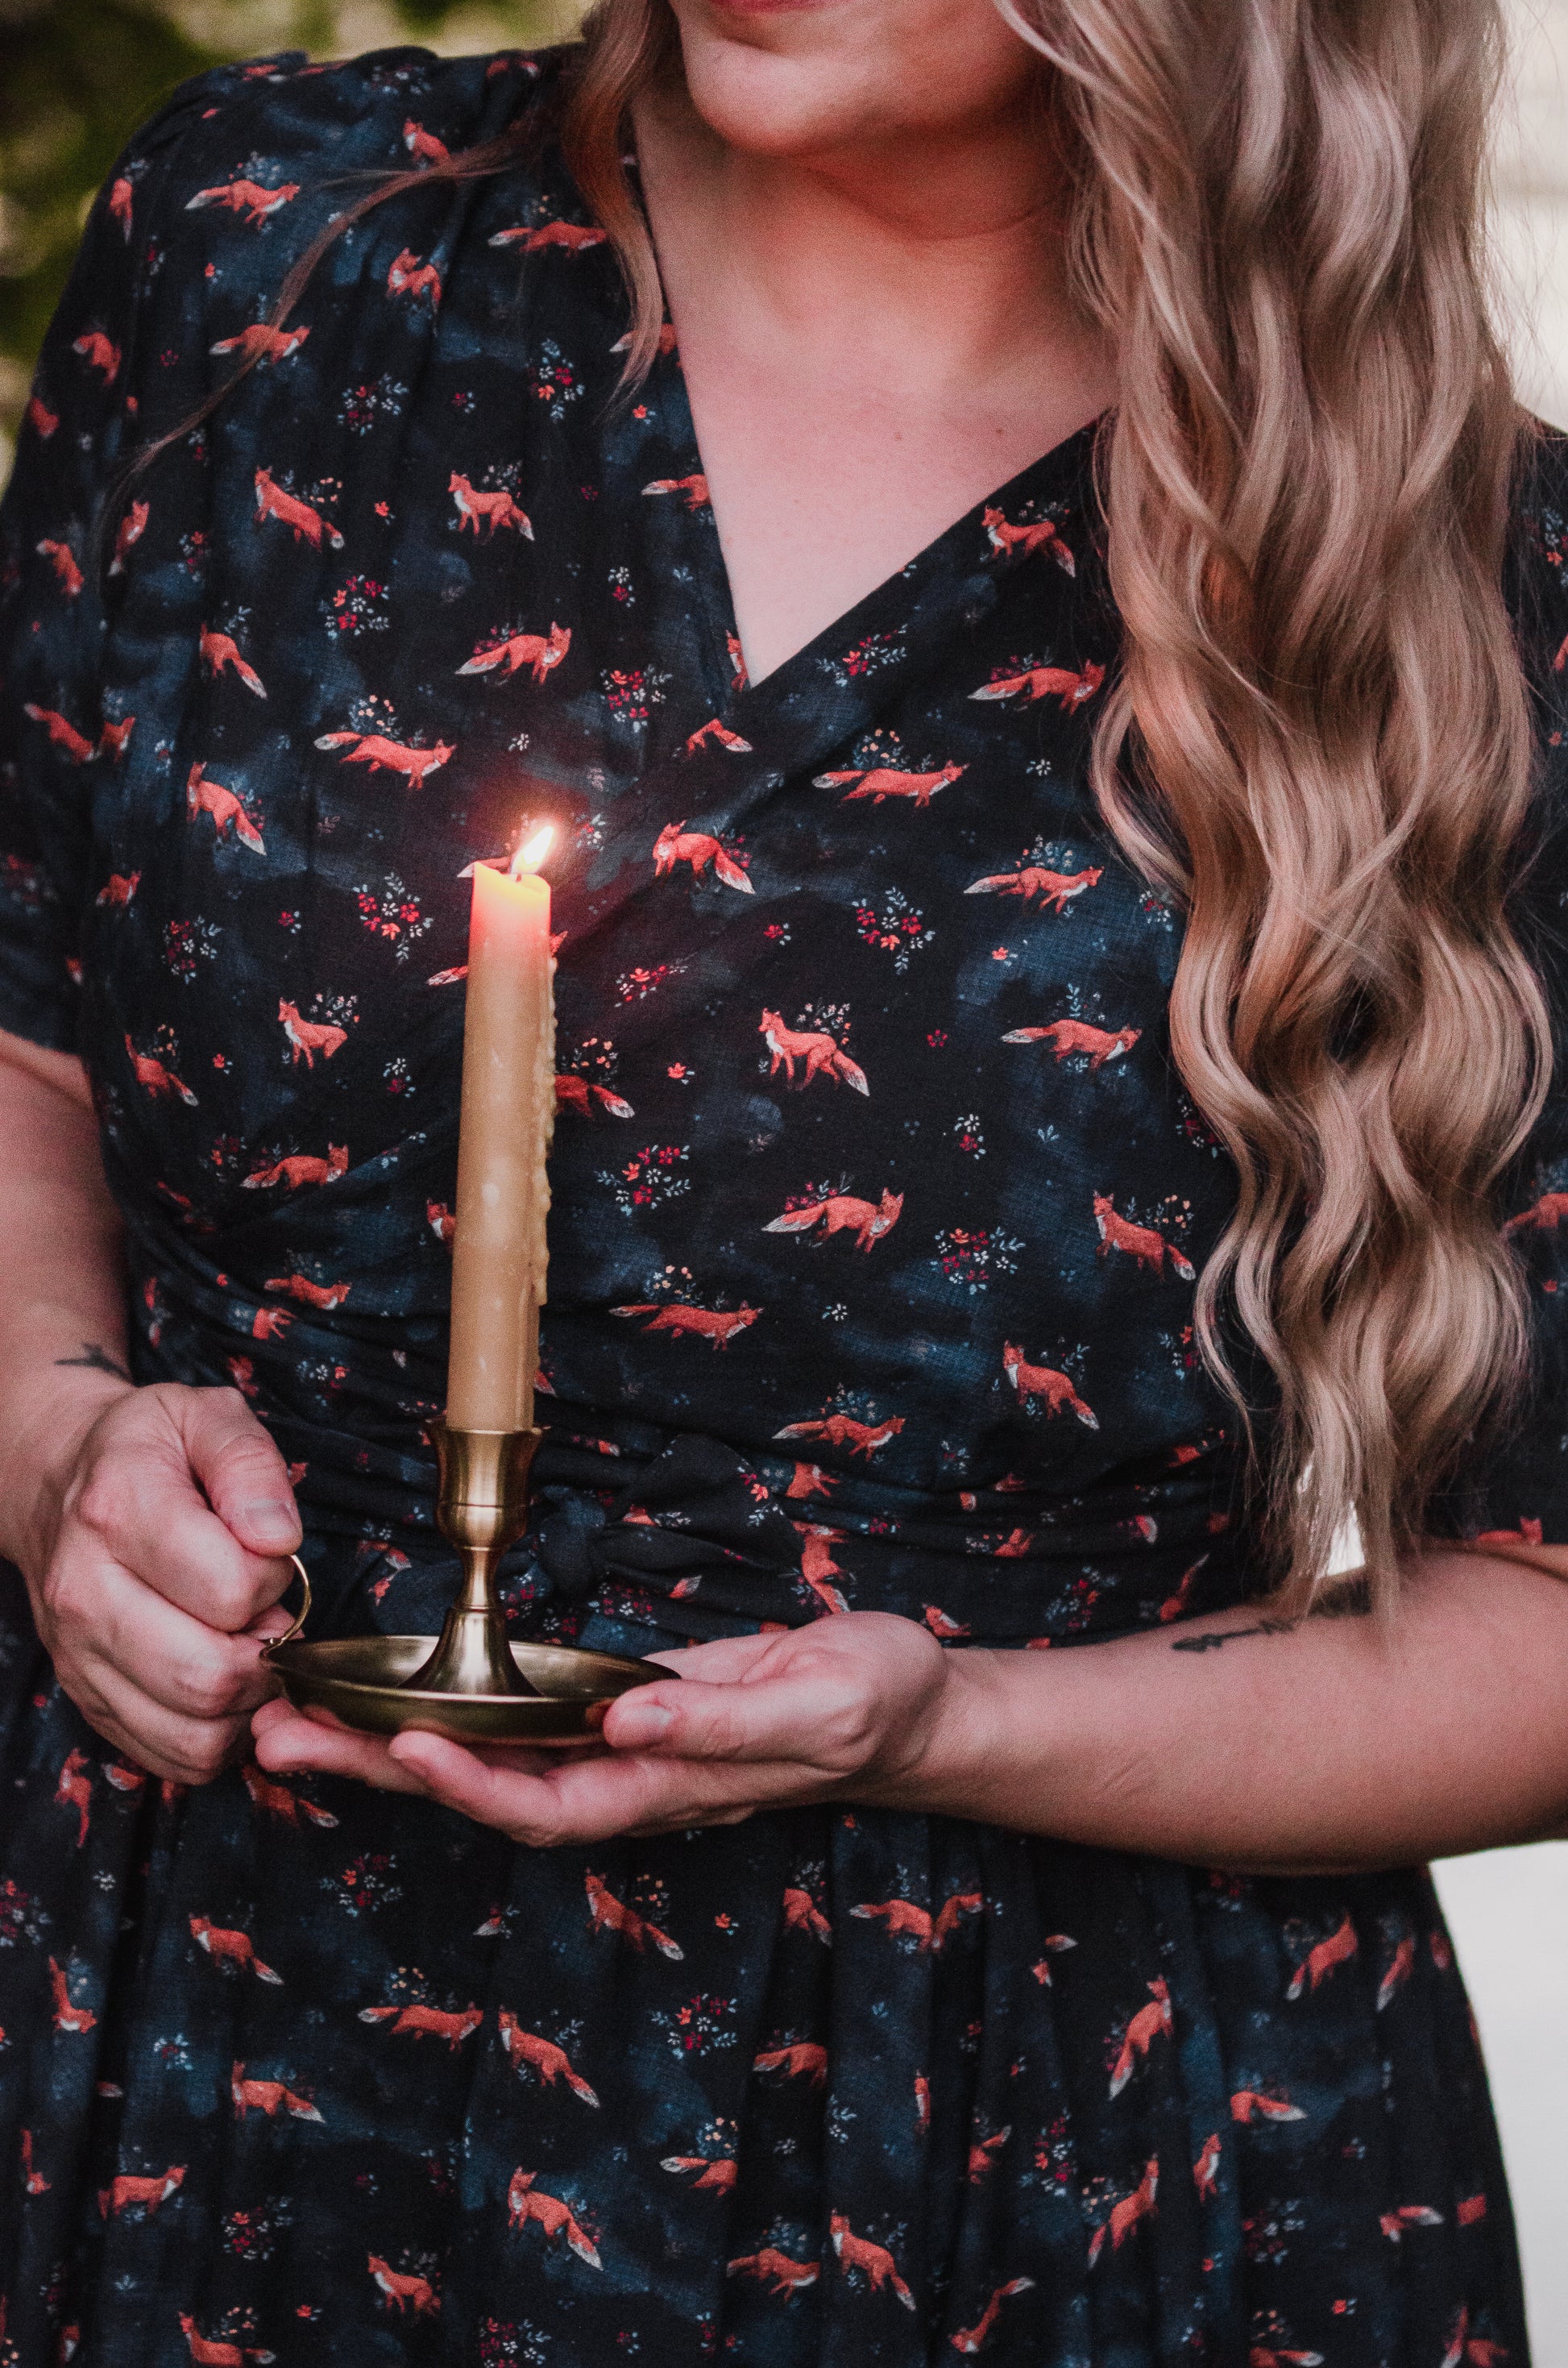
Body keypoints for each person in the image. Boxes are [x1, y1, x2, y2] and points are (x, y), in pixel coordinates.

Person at [1, 0, 1566, 2356]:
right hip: (180, 2026)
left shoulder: (1482, 598)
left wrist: (957, 1720)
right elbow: (23, 1036)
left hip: (1010, 2147)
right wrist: (53, 1440)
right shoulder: (273, 250)